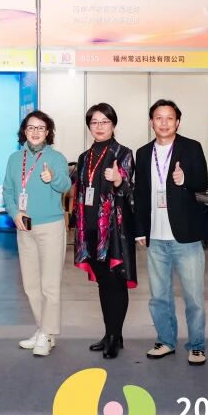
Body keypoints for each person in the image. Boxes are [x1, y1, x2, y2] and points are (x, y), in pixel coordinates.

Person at [134, 100, 208, 366]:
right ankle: (165, 341)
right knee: (159, 297)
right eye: (158, 118)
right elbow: (140, 193)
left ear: (177, 122)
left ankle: (197, 345)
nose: (164, 123)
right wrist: (139, 230)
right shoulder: (143, 153)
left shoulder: (191, 147)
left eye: (169, 118)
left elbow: (202, 182)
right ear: (151, 122)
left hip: (186, 236)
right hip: (155, 237)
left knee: (194, 297)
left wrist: (184, 179)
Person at [1, 110, 71, 357]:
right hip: (24, 226)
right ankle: (44, 331)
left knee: (49, 285)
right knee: (31, 285)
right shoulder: (14, 159)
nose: (35, 132)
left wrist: (53, 178)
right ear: (24, 131)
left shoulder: (56, 158)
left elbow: (66, 185)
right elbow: (8, 190)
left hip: (50, 227)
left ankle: (46, 332)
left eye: (41, 128)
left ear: (48, 132)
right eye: (31, 127)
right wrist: (14, 213)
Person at [73, 103, 136, 359]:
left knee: (115, 282)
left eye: (104, 122)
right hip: (89, 230)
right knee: (103, 283)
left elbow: (129, 191)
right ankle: (110, 333)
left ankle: (114, 336)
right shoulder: (84, 157)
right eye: (94, 122)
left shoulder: (123, 153)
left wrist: (119, 180)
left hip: (113, 231)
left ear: (113, 124)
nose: (99, 127)